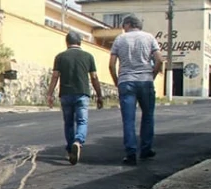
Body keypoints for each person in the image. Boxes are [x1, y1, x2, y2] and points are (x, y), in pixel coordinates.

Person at [109, 14, 164, 165]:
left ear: (127, 24)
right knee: (148, 116)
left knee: (128, 119)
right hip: (145, 80)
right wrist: (152, 75)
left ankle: (131, 153)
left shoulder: (120, 39)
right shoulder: (149, 37)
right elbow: (159, 59)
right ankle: (146, 149)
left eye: (123, 25)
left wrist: (117, 81)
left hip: (126, 81)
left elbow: (111, 64)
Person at [47, 31, 104, 165]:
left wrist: (50, 94)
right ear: (80, 42)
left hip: (65, 94)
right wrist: (99, 95)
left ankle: (69, 149)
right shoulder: (88, 56)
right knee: (82, 121)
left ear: (67, 42)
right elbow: (94, 77)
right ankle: (78, 141)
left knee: (68, 123)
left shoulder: (60, 57)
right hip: (82, 94)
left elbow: (55, 76)